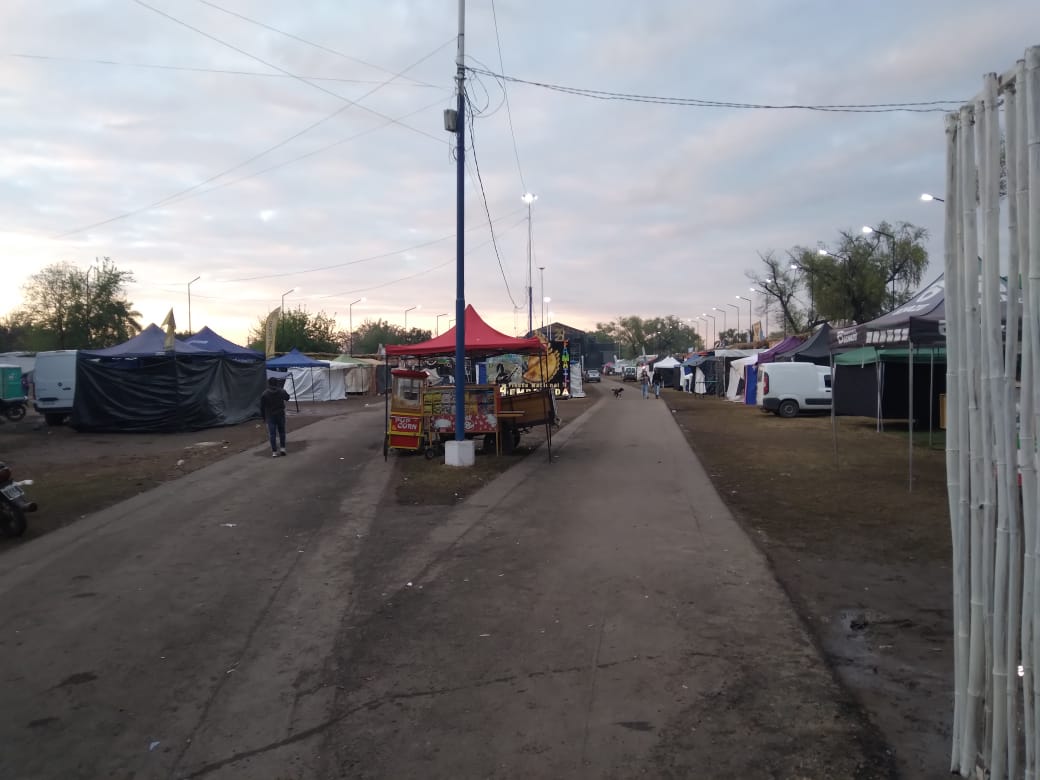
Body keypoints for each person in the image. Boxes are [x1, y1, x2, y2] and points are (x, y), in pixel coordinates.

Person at [261, 376, 291, 457]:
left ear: (269, 384)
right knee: (282, 432)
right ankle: (282, 449)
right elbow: (288, 398)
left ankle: (274, 452)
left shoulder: (265, 394)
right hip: (280, 414)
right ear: (277, 383)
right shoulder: (282, 391)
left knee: (272, 434)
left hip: (270, 416)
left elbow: (262, 407)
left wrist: (264, 418)